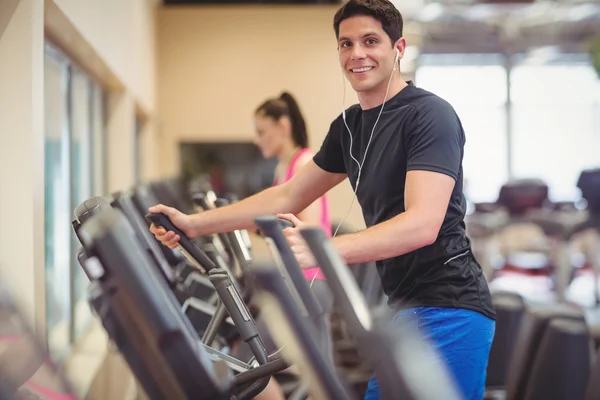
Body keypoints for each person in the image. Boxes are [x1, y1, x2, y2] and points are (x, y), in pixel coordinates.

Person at [150, 0, 496, 398]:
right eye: (346, 44)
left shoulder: (430, 116)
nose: (357, 54)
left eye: (371, 41)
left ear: (398, 48)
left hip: (450, 308)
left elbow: (422, 224)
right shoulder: (349, 127)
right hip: (405, 307)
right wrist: (196, 224)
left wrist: (324, 251)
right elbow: (289, 193)